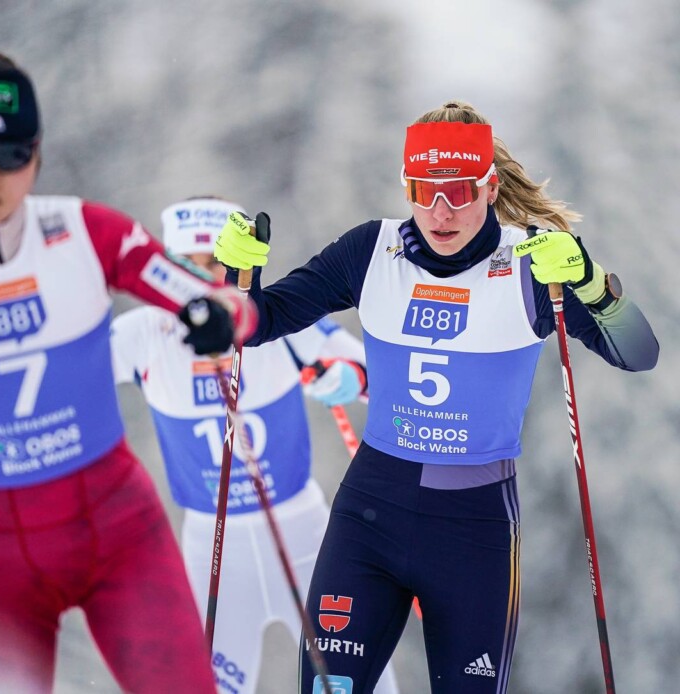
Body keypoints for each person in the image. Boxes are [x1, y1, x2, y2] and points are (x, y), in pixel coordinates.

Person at [210, 101, 660, 693]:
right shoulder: (370, 252)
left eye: (460, 193)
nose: (440, 212)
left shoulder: (531, 264)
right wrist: (232, 275)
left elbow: (637, 352)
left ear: (490, 187)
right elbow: (252, 323)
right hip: (370, 515)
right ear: (408, 188)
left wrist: (590, 281)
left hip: (474, 530)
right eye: (424, 192)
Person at [0, 50, 250, 694]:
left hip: (117, 530)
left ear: (36, 153)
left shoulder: (85, 230)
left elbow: (208, 298)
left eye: (11, 157)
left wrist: (220, 313)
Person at [110, 196, 400, 694]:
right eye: (186, 265)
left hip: (305, 537)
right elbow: (62, 380)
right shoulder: (143, 334)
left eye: (216, 265)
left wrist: (347, 377)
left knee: (357, 684)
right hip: (211, 545)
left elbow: (385, 379)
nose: (200, 283)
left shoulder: (276, 324)